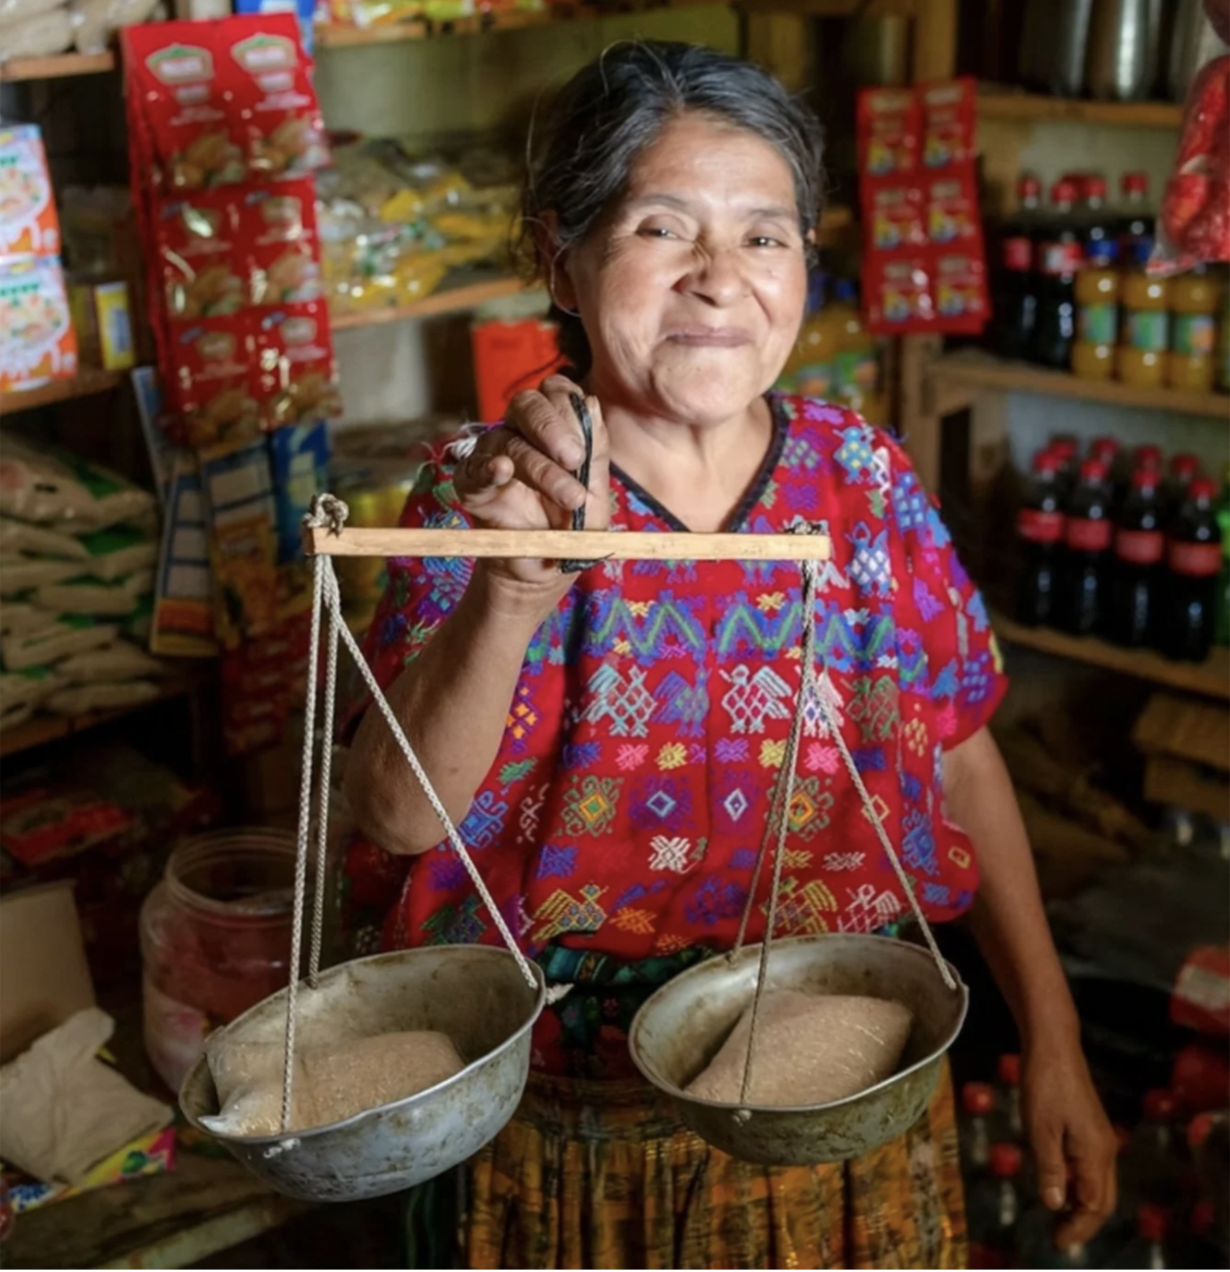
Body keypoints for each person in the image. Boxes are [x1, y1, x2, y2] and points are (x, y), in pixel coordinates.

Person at [342, 40, 1116, 1270]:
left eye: (764, 235)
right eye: (662, 227)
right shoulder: (487, 497)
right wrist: (509, 595)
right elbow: (392, 818)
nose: (720, 280)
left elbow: (961, 751)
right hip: (581, 1126)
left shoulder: (860, 478)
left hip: (846, 1086)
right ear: (561, 254)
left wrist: (1054, 1038)